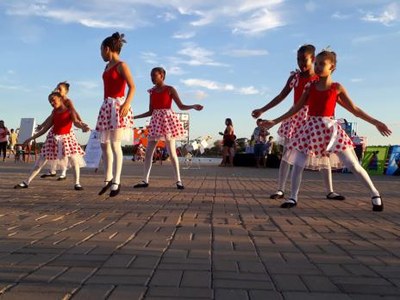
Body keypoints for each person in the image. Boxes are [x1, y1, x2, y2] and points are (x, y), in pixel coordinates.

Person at [261, 49, 392, 211]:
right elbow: (296, 108)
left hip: (331, 130)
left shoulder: (336, 88)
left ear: (332, 68)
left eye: (322, 64)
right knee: (298, 164)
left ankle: (375, 193)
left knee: (353, 164)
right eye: (316, 63)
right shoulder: (310, 86)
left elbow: (354, 109)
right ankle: (293, 197)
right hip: (309, 130)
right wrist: (274, 121)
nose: (317, 66)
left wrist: (376, 122)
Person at [252, 44, 345, 201]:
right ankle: (280, 189)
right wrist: (263, 109)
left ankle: (330, 190)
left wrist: (331, 119)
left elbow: (332, 96)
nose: (301, 63)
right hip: (295, 117)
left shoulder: (320, 77)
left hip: (316, 119)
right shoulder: (294, 77)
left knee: (323, 155)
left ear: (313, 59)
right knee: (287, 155)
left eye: (305, 60)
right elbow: (281, 96)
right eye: (298, 60)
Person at [133, 67, 203, 189]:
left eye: (154, 75)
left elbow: (180, 106)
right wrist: (135, 117)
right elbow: (151, 111)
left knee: (172, 152)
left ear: (162, 75)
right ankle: (145, 180)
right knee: (148, 153)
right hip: (155, 121)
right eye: (151, 76)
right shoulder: (152, 92)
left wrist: (193, 106)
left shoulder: (170, 89)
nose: (152, 78)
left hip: (167, 121)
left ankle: (178, 181)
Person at [14, 92, 88, 190]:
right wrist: (31, 138)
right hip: (52, 139)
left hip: (67, 139)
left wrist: (83, 126)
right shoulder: (54, 112)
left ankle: (77, 183)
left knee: (74, 161)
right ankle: (26, 182)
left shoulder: (70, 111)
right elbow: (45, 129)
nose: (52, 103)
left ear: (60, 99)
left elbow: (76, 123)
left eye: (53, 100)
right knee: (40, 161)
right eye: (50, 102)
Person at [96, 32, 135, 197]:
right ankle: (108, 178)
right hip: (106, 106)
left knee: (115, 144)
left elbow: (132, 86)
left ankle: (116, 181)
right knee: (104, 144)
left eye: (100, 51)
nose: (100, 54)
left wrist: (126, 103)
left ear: (106, 49)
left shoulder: (121, 65)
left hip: (119, 105)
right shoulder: (107, 67)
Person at [39, 81, 87, 180]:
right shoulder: (55, 100)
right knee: (54, 150)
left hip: (66, 129)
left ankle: (63, 172)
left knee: (66, 151)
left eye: (60, 89)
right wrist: (42, 125)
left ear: (66, 92)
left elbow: (74, 112)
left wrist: (81, 122)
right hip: (56, 128)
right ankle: (52, 170)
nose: (58, 90)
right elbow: (51, 116)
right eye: (57, 88)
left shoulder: (68, 101)